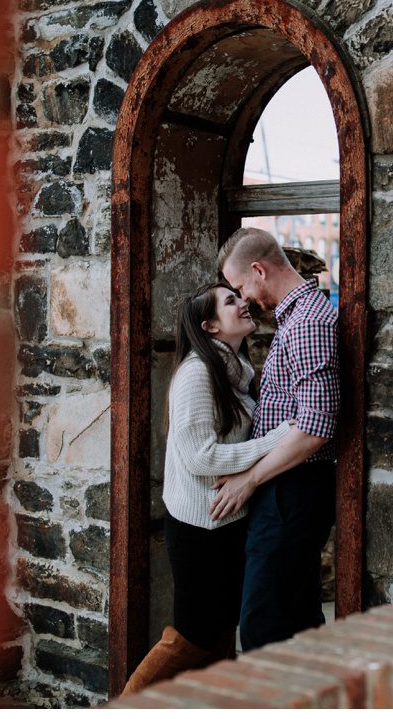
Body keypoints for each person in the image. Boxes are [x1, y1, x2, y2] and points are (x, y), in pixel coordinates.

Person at [121, 282, 294, 694]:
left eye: (239, 296)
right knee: (193, 634)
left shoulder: (235, 369)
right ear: (210, 326)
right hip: (200, 528)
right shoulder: (197, 373)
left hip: (228, 520)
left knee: (219, 633)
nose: (243, 302)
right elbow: (201, 457)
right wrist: (279, 439)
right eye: (230, 301)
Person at [209, 227, 339, 652]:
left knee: (262, 628)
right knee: (297, 623)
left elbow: (316, 427)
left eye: (241, 286)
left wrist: (248, 480)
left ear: (259, 270)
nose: (243, 298)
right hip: (286, 487)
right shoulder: (296, 318)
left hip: (292, 490)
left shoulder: (307, 323)